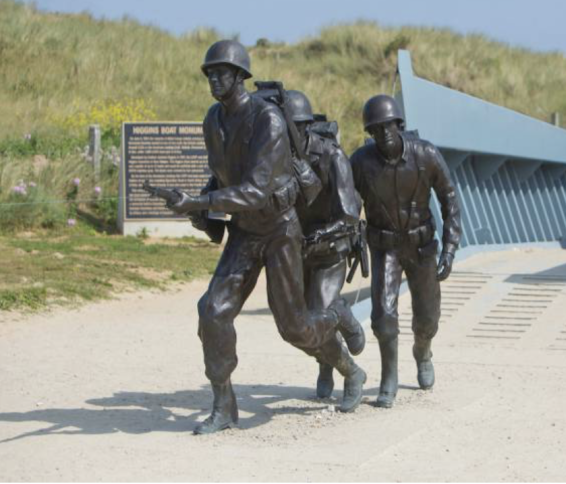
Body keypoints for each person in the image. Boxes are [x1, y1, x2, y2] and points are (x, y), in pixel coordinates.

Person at [167, 40, 366, 434]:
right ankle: (224, 406)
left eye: (222, 72)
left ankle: (345, 354)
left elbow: (257, 189)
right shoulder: (213, 120)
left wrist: (197, 201)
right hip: (244, 231)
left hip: (278, 229)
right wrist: (205, 212)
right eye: (210, 72)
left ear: (241, 76)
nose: (214, 79)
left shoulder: (268, 120)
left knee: (294, 327)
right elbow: (223, 175)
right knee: (212, 311)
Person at [350, 94, 461, 408]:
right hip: (385, 248)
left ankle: (423, 351)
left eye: (388, 126)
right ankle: (389, 376)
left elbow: (450, 198)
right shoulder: (361, 162)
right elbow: (344, 199)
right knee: (383, 316)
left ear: (399, 125)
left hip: (422, 246)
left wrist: (450, 248)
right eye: (376, 129)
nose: (383, 134)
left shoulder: (425, 155)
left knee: (428, 318)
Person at [283, 90, 365, 401]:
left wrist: (321, 235)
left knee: (317, 313)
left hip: (330, 248)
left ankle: (351, 370)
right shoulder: (280, 159)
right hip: (297, 249)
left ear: (302, 127)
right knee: (298, 323)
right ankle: (327, 360)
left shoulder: (333, 158)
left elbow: (348, 214)